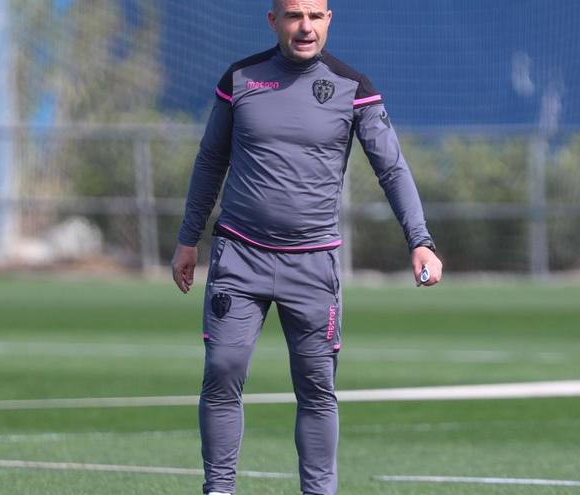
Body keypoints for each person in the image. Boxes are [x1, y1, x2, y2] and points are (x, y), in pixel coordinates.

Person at [171, 1, 443, 494]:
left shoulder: (352, 86)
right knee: (222, 371)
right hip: (239, 255)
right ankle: (218, 490)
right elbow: (210, 161)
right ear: (273, 20)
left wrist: (419, 241)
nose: (305, 27)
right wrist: (188, 239)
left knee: (317, 389)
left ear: (329, 19)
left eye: (315, 16)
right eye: (294, 15)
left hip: (314, 264)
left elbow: (392, 169)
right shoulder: (240, 78)